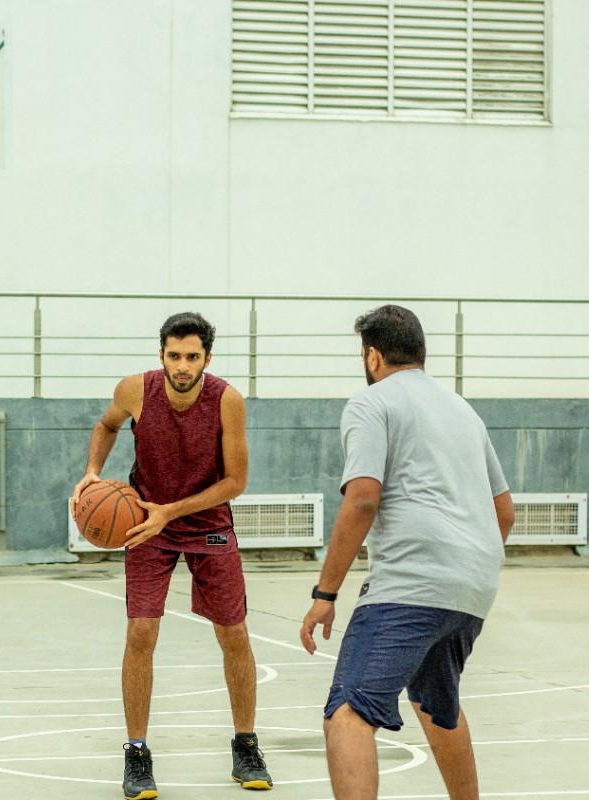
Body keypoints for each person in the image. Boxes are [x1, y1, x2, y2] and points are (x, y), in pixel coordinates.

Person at [299, 305, 514, 800]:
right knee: (437, 705)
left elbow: (363, 499)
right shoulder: (462, 410)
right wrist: (465, 565)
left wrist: (325, 593)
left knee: (348, 711)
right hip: (474, 587)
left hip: (410, 585)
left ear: (372, 356)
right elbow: (504, 512)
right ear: (421, 353)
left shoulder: (370, 403)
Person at [72, 311, 273, 799]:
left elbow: (236, 482)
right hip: (147, 524)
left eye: (192, 357)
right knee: (140, 633)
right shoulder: (135, 390)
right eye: (175, 355)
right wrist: (93, 471)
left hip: (207, 525)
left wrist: (173, 511)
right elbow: (106, 425)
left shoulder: (226, 401)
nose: (183, 366)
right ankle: (137, 752)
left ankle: (246, 745)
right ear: (161, 354)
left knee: (233, 633)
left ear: (207, 358)